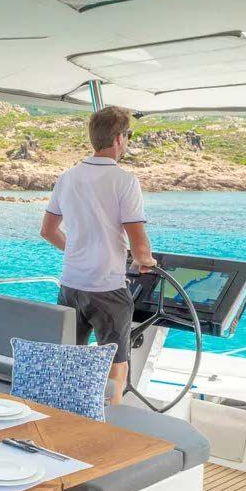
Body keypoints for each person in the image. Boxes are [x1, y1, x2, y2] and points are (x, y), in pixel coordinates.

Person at [40, 105, 156, 405]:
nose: (127, 142)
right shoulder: (124, 180)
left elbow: (48, 231)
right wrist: (146, 262)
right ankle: (110, 422)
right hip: (107, 289)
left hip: (71, 286)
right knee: (116, 366)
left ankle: (68, 413)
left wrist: (78, 250)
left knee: (69, 360)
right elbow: (140, 247)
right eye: (128, 136)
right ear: (118, 139)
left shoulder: (67, 178)